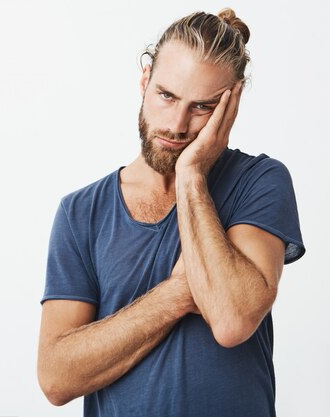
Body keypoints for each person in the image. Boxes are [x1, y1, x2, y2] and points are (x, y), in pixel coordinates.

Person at [37, 8, 305, 417]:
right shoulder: (81, 212)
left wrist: (192, 175)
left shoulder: (260, 181)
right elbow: (56, 379)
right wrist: (179, 293)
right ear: (145, 81)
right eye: (166, 96)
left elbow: (233, 320)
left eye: (202, 107)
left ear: (229, 106)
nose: (177, 125)